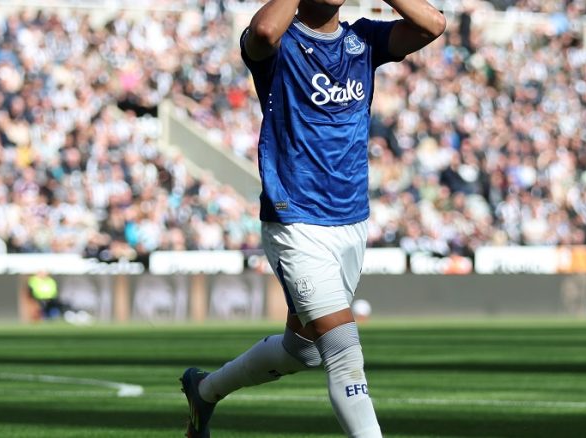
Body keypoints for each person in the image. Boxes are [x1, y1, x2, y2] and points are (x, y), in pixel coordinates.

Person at [179, 1, 445, 437]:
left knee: (302, 350)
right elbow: (263, 32)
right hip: (296, 219)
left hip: (351, 218)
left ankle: (204, 391)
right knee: (343, 350)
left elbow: (432, 24)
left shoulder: (364, 41)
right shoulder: (281, 43)